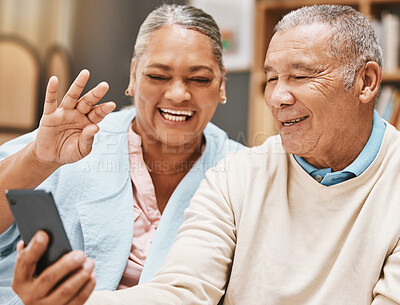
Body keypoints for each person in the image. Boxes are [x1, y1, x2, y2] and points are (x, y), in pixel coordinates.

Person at [80, 4, 399, 305]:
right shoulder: (234, 176)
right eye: (272, 78)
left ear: (366, 82)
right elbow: (183, 292)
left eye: (300, 76)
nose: (277, 97)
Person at [0, 4, 242, 305]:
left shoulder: (243, 169)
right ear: (133, 76)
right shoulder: (71, 140)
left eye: (200, 79)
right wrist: (38, 159)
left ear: (221, 84)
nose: (178, 94)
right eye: (158, 76)